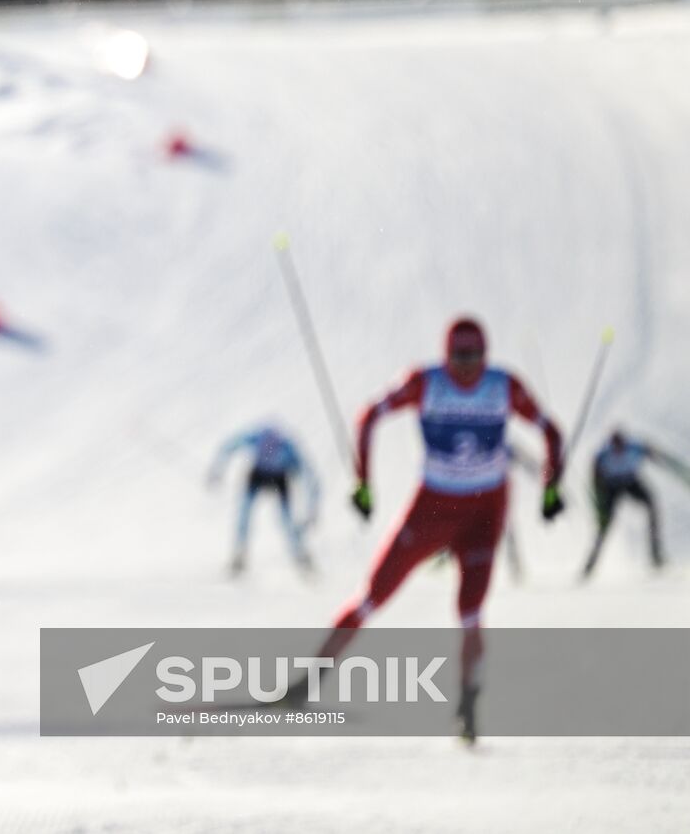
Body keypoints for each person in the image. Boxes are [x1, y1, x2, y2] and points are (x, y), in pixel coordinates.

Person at [295, 317, 564, 743]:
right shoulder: (426, 383)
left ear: (486, 354)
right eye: (459, 356)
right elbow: (369, 415)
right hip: (432, 509)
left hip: (484, 513)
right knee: (372, 595)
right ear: (446, 354)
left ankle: (467, 710)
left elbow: (551, 431)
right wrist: (364, 482)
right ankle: (306, 684)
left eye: (475, 356)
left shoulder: (503, 386)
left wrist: (551, 488)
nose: (467, 366)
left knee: (471, 614)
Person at [205, 424, 319, 574]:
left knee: (286, 520)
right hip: (257, 475)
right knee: (244, 514)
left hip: (278, 478)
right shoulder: (259, 437)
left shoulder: (287, 447)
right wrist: (217, 469)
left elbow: (307, 474)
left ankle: (300, 556)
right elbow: (230, 445)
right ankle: (239, 555)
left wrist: (312, 506)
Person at [582, 430, 688, 577]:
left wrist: (680, 471)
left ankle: (655, 554)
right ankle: (590, 564)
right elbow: (594, 482)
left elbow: (657, 455)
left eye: (621, 446)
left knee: (651, 505)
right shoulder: (602, 456)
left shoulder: (634, 448)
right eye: (615, 447)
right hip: (610, 486)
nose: (618, 450)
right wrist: (600, 506)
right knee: (605, 524)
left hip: (630, 481)